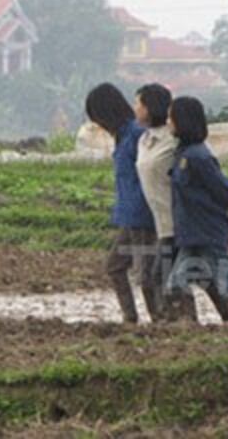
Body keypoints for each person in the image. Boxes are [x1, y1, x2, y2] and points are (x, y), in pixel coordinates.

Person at [166, 96, 228, 325]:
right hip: (190, 233)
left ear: (183, 121)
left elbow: (223, 188)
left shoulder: (198, 157)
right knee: (176, 284)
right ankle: (193, 327)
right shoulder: (182, 154)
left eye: (171, 117)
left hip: (207, 232)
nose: (168, 122)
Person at [85, 83, 160, 323]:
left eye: (97, 117)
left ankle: (161, 320)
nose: (97, 124)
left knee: (145, 275)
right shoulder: (122, 136)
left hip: (143, 215)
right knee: (115, 267)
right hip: (129, 216)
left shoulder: (137, 134)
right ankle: (131, 317)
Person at [134, 83, 198, 321]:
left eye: (138, 104)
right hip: (159, 222)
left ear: (150, 108)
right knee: (166, 276)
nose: (135, 109)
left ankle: (182, 321)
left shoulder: (174, 143)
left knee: (162, 276)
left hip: (177, 222)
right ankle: (174, 320)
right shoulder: (143, 141)